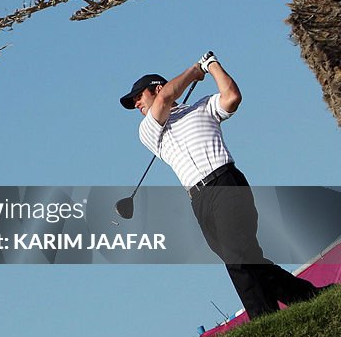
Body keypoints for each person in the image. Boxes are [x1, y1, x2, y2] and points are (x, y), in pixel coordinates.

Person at [119, 52, 321, 319]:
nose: (136, 104)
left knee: (236, 257)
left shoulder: (201, 107)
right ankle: (306, 296)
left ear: (155, 88)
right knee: (247, 258)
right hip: (199, 200)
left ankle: (264, 319)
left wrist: (212, 66)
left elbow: (232, 97)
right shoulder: (148, 129)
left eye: (138, 97)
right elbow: (166, 99)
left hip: (226, 182)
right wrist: (195, 70)